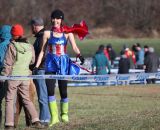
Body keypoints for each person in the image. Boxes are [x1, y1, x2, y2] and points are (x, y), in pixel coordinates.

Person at [34, 9, 87, 127]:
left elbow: (74, 47)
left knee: (63, 90)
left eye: (57, 18)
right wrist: (37, 66)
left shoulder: (68, 33)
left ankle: (64, 115)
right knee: (50, 91)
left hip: (63, 63)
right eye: (53, 18)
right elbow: (42, 51)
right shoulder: (47, 34)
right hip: (50, 63)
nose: (55, 20)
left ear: (61, 20)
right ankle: (54, 117)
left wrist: (80, 55)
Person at [1, 24, 44, 129]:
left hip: (13, 78)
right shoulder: (29, 46)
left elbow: (7, 64)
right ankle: (36, 120)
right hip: (25, 77)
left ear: (14, 35)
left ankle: (9, 124)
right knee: (27, 99)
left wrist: (3, 77)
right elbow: (33, 61)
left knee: (9, 100)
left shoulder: (11, 46)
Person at [30, 17, 50, 126]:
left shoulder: (42, 37)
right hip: (42, 69)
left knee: (42, 96)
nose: (31, 29)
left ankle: (45, 119)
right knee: (43, 95)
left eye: (32, 27)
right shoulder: (41, 36)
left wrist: (34, 65)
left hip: (41, 69)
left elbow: (43, 54)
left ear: (35, 26)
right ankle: (45, 117)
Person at [0, 25, 12, 127]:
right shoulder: (14, 44)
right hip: (14, 76)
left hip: (2, 76)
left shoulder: (2, 45)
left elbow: (0, 61)